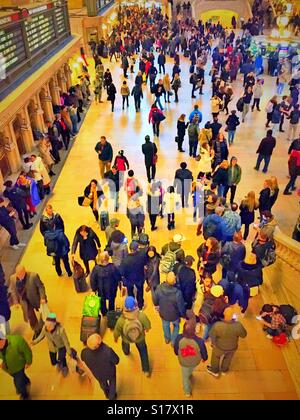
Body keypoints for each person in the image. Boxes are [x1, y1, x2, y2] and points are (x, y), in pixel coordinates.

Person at [114, 296, 151, 377]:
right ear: (135, 305)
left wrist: (115, 338)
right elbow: (148, 326)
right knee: (143, 351)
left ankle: (126, 351)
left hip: (126, 338)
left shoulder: (121, 320)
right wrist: (146, 329)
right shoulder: (141, 316)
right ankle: (146, 370)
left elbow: (117, 331)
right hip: (140, 338)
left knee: (125, 344)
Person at [8, 265, 47, 339]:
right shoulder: (12, 278)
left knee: (43, 312)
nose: (19, 277)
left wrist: (43, 298)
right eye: (18, 274)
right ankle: (36, 330)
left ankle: (45, 323)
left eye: (21, 275)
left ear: (24, 272)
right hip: (25, 302)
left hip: (36, 298)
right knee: (30, 316)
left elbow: (41, 287)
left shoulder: (33, 276)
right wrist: (16, 301)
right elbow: (12, 290)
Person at [207, 307, 247, 377]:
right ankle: (224, 370)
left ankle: (215, 371)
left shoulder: (218, 325)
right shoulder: (238, 325)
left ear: (224, 314)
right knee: (228, 359)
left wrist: (213, 343)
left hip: (219, 346)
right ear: (233, 315)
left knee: (215, 358)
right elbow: (244, 335)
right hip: (232, 347)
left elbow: (212, 335)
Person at [174, 316, 208, 397]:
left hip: (184, 362)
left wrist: (177, 353)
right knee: (191, 368)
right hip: (195, 361)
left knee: (185, 377)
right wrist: (204, 358)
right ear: (194, 331)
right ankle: (190, 373)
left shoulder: (179, 337)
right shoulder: (200, 341)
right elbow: (204, 352)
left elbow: (176, 349)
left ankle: (187, 392)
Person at [31, 313, 71, 377]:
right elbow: (41, 336)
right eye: (47, 326)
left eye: (50, 327)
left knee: (62, 357)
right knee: (53, 362)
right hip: (52, 347)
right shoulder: (45, 328)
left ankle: (64, 365)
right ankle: (58, 362)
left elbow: (66, 342)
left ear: (54, 325)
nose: (48, 328)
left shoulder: (61, 330)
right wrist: (34, 342)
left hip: (61, 346)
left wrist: (69, 351)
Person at [81, 334, 119, 400]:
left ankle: (106, 393)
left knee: (102, 384)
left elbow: (82, 358)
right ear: (98, 344)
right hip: (110, 372)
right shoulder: (107, 351)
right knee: (112, 383)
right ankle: (112, 397)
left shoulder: (84, 352)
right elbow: (116, 361)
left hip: (97, 374)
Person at [153, 272, 186, 346]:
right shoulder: (178, 293)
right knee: (176, 326)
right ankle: (173, 341)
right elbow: (181, 306)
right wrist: (183, 315)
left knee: (165, 325)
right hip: (175, 315)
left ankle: (167, 338)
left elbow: (155, 300)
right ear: (174, 281)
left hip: (163, 313)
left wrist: (158, 305)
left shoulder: (159, 288)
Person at [40, 204, 72, 277]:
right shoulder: (44, 219)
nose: (51, 211)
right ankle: (61, 272)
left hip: (57, 239)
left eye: (51, 210)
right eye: (49, 210)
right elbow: (42, 230)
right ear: (46, 210)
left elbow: (62, 224)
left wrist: (60, 233)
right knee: (58, 259)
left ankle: (66, 272)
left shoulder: (56, 216)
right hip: (53, 241)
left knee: (62, 259)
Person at [0, 333, 32, 400]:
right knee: (19, 377)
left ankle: (25, 395)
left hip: (19, 366)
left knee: (19, 384)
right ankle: (26, 381)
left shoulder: (17, 341)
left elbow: (27, 351)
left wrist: (29, 361)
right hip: (9, 369)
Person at [90, 251, 122, 316]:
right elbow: (118, 277)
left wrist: (94, 289)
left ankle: (104, 312)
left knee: (102, 301)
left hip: (101, 289)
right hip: (111, 288)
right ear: (108, 258)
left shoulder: (96, 269)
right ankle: (111, 312)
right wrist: (120, 286)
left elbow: (93, 279)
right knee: (112, 300)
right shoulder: (113, 267)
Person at [120, 241, 147, 309]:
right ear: (137, 248)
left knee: (130, 292)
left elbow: (121, 272)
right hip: (139, 278)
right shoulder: (142, 256)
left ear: (130, 249)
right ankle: (140, 305)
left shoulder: (125, 260)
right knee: (140, 292)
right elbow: (145, 265)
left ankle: (131, 305)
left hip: (129, 280)